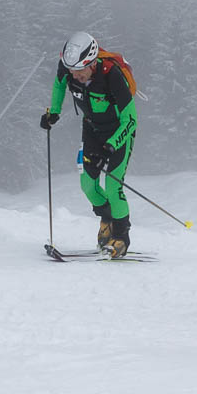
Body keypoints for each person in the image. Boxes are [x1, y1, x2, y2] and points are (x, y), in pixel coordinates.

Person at [39, 32, 139, 257]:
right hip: (93, 130)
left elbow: (130, 120)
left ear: (93, 63)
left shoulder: (112, 76)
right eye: (71, 70)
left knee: (113, 186)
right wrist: (52, 113)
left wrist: (113, 144)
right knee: (87, 184)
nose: (75, 75)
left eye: (80, 70)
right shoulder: (68, 68)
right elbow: (59, 85)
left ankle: (121, 236)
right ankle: (108, 218)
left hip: (120, 133)